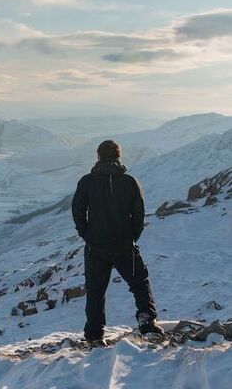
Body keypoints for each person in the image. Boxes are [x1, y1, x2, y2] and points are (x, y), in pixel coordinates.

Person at [71, 139, 164, 345]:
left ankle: (95, 335)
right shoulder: (130, 182)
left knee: (95, 290)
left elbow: (78, 210)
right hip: (124, 245)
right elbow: (138, 214)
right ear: (118, 156)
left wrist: (86, 234)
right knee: (139, 283)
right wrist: (131, 238)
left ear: (98, 156)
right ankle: (147, 323)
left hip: (96, 247)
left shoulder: (87, 182)